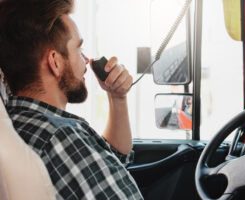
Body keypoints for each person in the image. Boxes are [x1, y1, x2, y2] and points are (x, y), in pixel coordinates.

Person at [0, 0, 143, 199]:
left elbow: (114, 158)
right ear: (55, 62)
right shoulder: (60, 138)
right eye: (78, 49)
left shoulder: (17, 125)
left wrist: (117, 98)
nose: (85, 60)